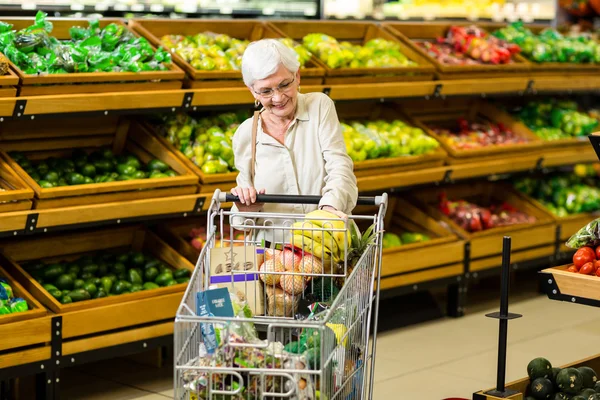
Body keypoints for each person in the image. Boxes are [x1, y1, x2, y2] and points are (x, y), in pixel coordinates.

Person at [229, 39, 358, 243]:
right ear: (252, 91)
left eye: (284, 84)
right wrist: (246, 208)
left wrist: (329, 209)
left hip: (329, 246)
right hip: (274, 258)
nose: (278, 98)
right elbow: (241, 221)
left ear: (297, 76)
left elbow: (340, 166)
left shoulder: (319, 107)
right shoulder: (245, 133)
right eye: (266, 91)